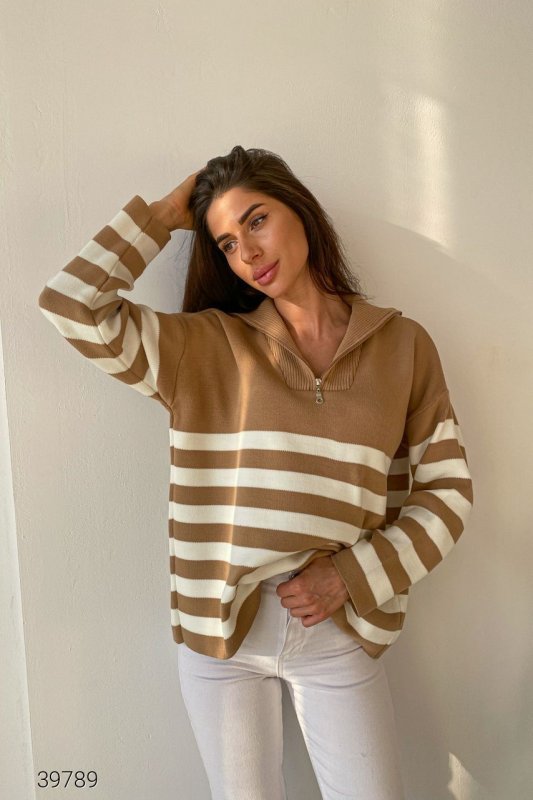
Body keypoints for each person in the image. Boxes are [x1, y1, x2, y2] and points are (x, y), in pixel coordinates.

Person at [38, 145, 473, 799]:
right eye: (225, 242)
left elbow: (447, 491)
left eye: (257, 219)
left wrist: (351, 575)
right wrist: (165, 214)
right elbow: (70, 303)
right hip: (222, 640)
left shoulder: (403, 346)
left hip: (337, 628)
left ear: (299, 208)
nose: (246, 251)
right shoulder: (203, 347)